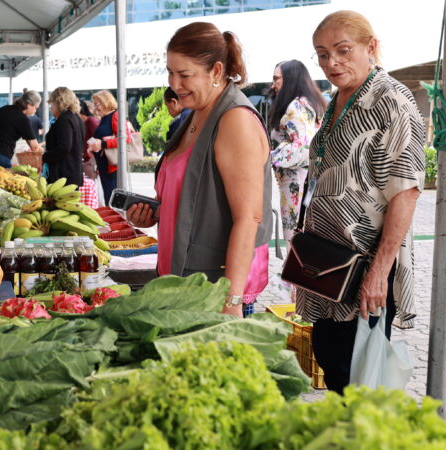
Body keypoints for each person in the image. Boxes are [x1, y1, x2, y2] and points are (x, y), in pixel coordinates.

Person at [299, 10, 424, 393]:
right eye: (321, 54)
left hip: (366, 261)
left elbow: (405, 189)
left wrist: (378, 271)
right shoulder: (340, 98)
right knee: (329, 353)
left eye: (342, 50)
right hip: (326, 257)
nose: (331, 62)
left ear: (371, 47)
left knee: (358, 374)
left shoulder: (392, 100)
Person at [126, 22, 272, 317]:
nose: (174, 84)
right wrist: (156, 212)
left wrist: (230, 302)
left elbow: (250, 218)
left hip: (215, 293)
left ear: (216, 71)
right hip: (187, 284)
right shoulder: (196, 115)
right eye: (170, 72)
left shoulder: (235, 121)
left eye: (184, 75)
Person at [267, 60, 326, 250]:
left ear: (290, 79)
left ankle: (296, 279)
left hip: (296, 184)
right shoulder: (309, 103)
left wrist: (268, 156)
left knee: (294, 240)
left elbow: (302, 147)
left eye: (276, 78)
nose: (273, 84)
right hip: (307, 182)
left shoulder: (296, 107)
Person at [0, 90, 43, 168]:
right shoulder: (22, 118)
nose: (35, 111)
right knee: (4, 179)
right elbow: (34, 146)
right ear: (29, 105)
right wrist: (42, 151)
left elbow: (28, 139)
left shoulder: (3, 109)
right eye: (35, 108)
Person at [43, 87, 85, 188]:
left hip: (63, 175)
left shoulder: (64, 119)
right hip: (72, 172)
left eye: (52, 103)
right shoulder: (76, 118)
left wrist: (45, 157)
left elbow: (64, 147)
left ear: (59, 102)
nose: (51, 107)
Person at [88, 90, 121, 203]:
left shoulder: (115, 116)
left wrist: (102, 144)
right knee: (108, 197)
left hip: (111, 166)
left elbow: (124, 139)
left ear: (106, 102)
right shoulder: (104, 118)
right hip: (104, 165)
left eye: (97, 104)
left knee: (112, 199)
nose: (96, 108)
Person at [79, 99, 100, 181]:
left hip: (90, 159)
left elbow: (96, 137)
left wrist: (89, 146)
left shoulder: (90, 120)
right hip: (85, 159)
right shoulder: (83, 121)